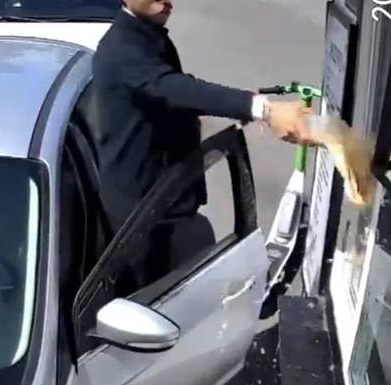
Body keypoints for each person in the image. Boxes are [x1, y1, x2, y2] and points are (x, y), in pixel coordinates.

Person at [92, 0, 316, 257]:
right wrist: (264, 109)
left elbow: (175, 93)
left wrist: (246, 110)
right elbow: (174, 89)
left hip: (163, 207)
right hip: (141, 221)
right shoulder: (121, 49)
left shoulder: (144, 34)